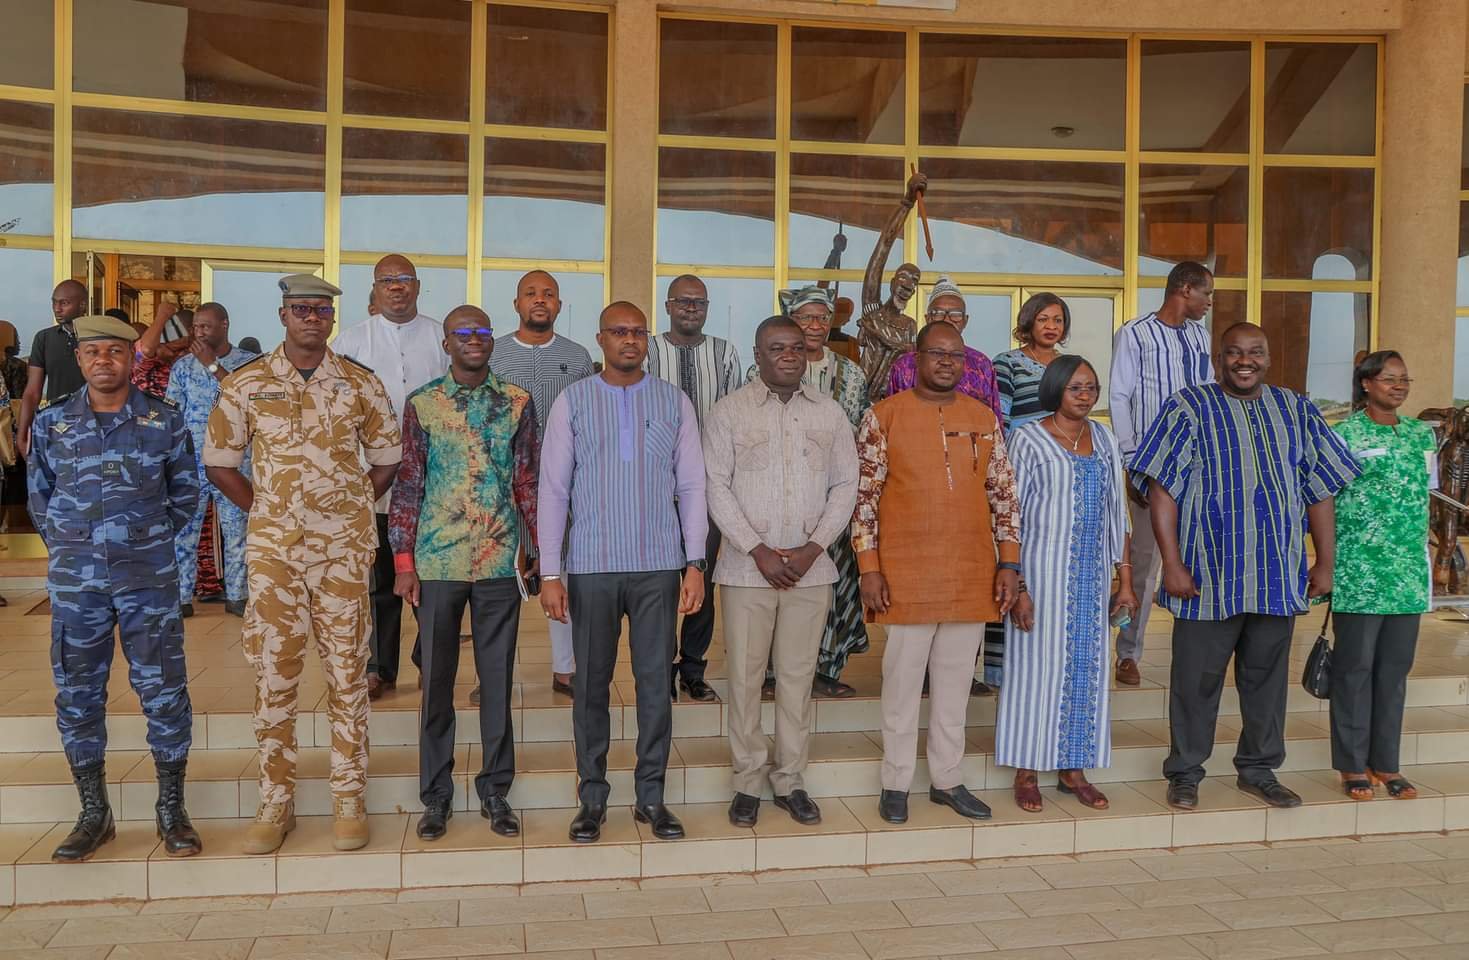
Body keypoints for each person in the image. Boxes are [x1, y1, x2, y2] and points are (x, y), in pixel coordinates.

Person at [205, 274, 401, 854]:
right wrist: (267, 509)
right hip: (276, 558)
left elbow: (387, 457)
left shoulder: (360, 383)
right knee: (274, 677)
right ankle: (276, 801)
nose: (312, 318)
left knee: (348, 676)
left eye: (321, 310)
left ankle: (349, 797)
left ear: (332, 319)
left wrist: (351, 506)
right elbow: (219, 461)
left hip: (342, 555)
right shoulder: (247, 383)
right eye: (301, 309)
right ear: (283, 315)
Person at [1130, 322, 1359, 811]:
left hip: (1276, 573)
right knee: (1195, 682)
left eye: (1255, 352)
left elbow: (1320, 488)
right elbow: (1162, 490)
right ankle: (1185, 772)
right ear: (1219, 360)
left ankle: (1258, 770)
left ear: (1268, 358)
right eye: (1234, 352)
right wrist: (1172, 563)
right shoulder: (1187, 407)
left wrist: (1326, 561)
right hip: (1207, 575)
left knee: (1266, 682)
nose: (1244, 361)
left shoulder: (1296, 409)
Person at [28, 314, 201, 861]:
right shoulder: (52, 422)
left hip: (147, 580)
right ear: (79, 360)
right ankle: (93, 813)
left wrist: (141, 541)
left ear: (131, 358)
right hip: (77, 586)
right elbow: (40, 499)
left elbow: (185, 494)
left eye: (115, 351)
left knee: (164, 690)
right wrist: (76, 547)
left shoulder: (163, 419)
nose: (103, 360)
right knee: (78, 693)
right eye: (93, 352)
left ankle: (171, 809)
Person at [538, 301, 706, 844]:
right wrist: (550, 572)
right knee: (590, 685)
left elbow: (691, 486)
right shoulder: (573, 401)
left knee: (656, 684)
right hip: (592, 565)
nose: (629, 340)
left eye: (637, 332)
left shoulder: (673, 401)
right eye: (618, 331)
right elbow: (553, 490)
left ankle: (651, 796)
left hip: (658, 565)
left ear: (646, 341)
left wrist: (695, 563)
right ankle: (592, 798)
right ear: (601, 339)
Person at [854, 321, 1021, 824]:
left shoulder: (983, 417)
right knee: (901, 685)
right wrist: (868, 567)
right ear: (917, 358)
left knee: (954, 685)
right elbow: (863, 501)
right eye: (937, 353)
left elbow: (1004, 496)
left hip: (970, 571)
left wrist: (1009, 562)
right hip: (905, 574)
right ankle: (896, 782)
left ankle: (947, 779)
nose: (947, 362)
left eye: (956, 355)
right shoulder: (883, 417)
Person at [390, 306, 539, 841]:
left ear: (491, 340)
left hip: (498, 561)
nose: (474, 339)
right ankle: (436, 796)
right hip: (437, 561)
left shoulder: (517, 402)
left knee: (496, 682)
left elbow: (527, 481)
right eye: (463, 333)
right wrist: (403, 562)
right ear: (447, 343)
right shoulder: (423, 404)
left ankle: (496, 791)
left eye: (482, 331)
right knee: (437, 683)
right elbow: (409, 484)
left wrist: (540, 550)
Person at [704, 316, 860, 827]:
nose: (789, 356)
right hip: (746, 572)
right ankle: (747, 781)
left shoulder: (830, 413)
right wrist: (757, 550)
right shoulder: (729, 412)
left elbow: (846, 484)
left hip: (810, 572)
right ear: (758, 354)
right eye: (777, 348)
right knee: (746, 680)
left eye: (796, 348)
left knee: (796, 679)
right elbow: (714, 486)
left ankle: (790, 779)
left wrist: (815, 547)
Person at [996, 356, 1135, 812]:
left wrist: (1124, 580)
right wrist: (1019, 586)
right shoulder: (1028, 439)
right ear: (1056, 389)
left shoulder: (1106, 439)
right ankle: (1026, 769)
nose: (1085, 395)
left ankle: (1074, 768)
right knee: (1034, 671)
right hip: (1040, 576)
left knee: (1086, 672)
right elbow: (1010, 514)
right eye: (1076, 387)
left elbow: (1118, 514)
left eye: (1091, 387)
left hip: (1091, 581)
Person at [332, 255, 448, 701]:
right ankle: (378, 666)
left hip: (433, 484)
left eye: (404, 280)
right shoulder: (351, 342)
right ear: (375, 288)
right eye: (387, 281)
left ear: (417, 286)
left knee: (431, 579)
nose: (396, 287)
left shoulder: (440, 337)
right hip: (373, 480)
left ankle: (429, 660)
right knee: (378, 581)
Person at [748, 287, 871, 698]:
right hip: (776, 498)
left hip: (832, 501)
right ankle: (770, 674)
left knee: (835, 587)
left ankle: (825, 670)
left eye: (823, 317)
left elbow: (859, 435)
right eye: (806, 317)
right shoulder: (757, 373)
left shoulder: (851, 373)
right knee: (775, 584)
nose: (816, 325)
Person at [1330, 351, 1434, 801]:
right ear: (1366, 383)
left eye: (1404, 379)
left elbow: (1426, 493)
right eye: (1390, 378)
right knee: (1354, 670)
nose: (1399, 386)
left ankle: (1386, 763)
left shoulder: (1421, 434)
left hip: (1407, 574)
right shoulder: (1343, 435)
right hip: (1359, 572)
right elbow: (1323, 499)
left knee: (1394, 671)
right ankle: (1352, 765)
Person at [1108, 261, 1216, 687]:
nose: (1209, 302)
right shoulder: (1135, 333)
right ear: (1184, 289)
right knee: (1144, 563)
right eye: (1206, 293)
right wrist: (1131, 459)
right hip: (1151, 466)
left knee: (1200, 559)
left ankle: (1197, 654)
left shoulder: (1200, 336)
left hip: (1197, 465)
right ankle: (1127, 653)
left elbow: (1209, 394)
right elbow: (1120, 395)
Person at [492, 270, 595, 699]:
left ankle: (566, 668)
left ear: (559, 305)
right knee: (501, 583)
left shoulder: (578, 356)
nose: (540, 300)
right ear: (516, 304)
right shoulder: (494, 354)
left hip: (563, 487)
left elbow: (589, 419)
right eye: (531, 293)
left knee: (563, 575)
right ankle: (494, 675)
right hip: (504, 486)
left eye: (548, 294)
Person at [645, 274, 742, 702]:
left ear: (706, 309)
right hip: (656, 489)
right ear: (667, 306)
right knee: (661, 584)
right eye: (682, 301)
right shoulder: (649, 350)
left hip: (708, 488)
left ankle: (693, 669)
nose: (690, 308)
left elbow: (735, 418)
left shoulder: (724, 353)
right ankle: (662, 668)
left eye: (698, 302)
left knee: (703, 580)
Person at [165, 302, 258, 620]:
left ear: (224, 324)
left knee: (237, 529)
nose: (199, 332)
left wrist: (212, 365)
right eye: (196, 327)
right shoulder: (182, 367)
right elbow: (172, 414)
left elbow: (249, 403)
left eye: (205, 326)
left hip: (234, 463)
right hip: (192, 462)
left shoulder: (248, 364)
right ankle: (181, 597)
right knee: (185, 531)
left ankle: (237, 595)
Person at [858, 173, 926, 402]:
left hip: (895, 402)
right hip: (862, 401)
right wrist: (907, 203)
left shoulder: (910, 325)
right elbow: (883, 246)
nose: (909, 284)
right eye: (904, 277)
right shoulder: (873, 312)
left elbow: (912, 363)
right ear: (892, 282)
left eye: (915, 281)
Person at [885, 277, 1000, 413]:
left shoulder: (981, 364)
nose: (946, 319)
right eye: (938, 313)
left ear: (965, 320)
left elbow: (993, 416)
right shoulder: (905, 365)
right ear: (927, 318)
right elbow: (891, 414)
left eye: (955, 314)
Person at [18, 279, 88, 459]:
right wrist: (23, 433)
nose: (57, 309)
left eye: (64, 303)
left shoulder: (98, 338)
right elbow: (33, 391)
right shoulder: (44, 338)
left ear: (82, 305)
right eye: (54, 302)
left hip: (95, 425)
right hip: (57, 426)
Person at [994, 293, 1069, 434]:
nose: (1051, 326)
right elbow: (1000, 417)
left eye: (1058, 320)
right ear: (1028, 322)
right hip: (1022, 445)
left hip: (1064, 446)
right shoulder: (1007, 362)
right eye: (1043, 319)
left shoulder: (1071, 367)